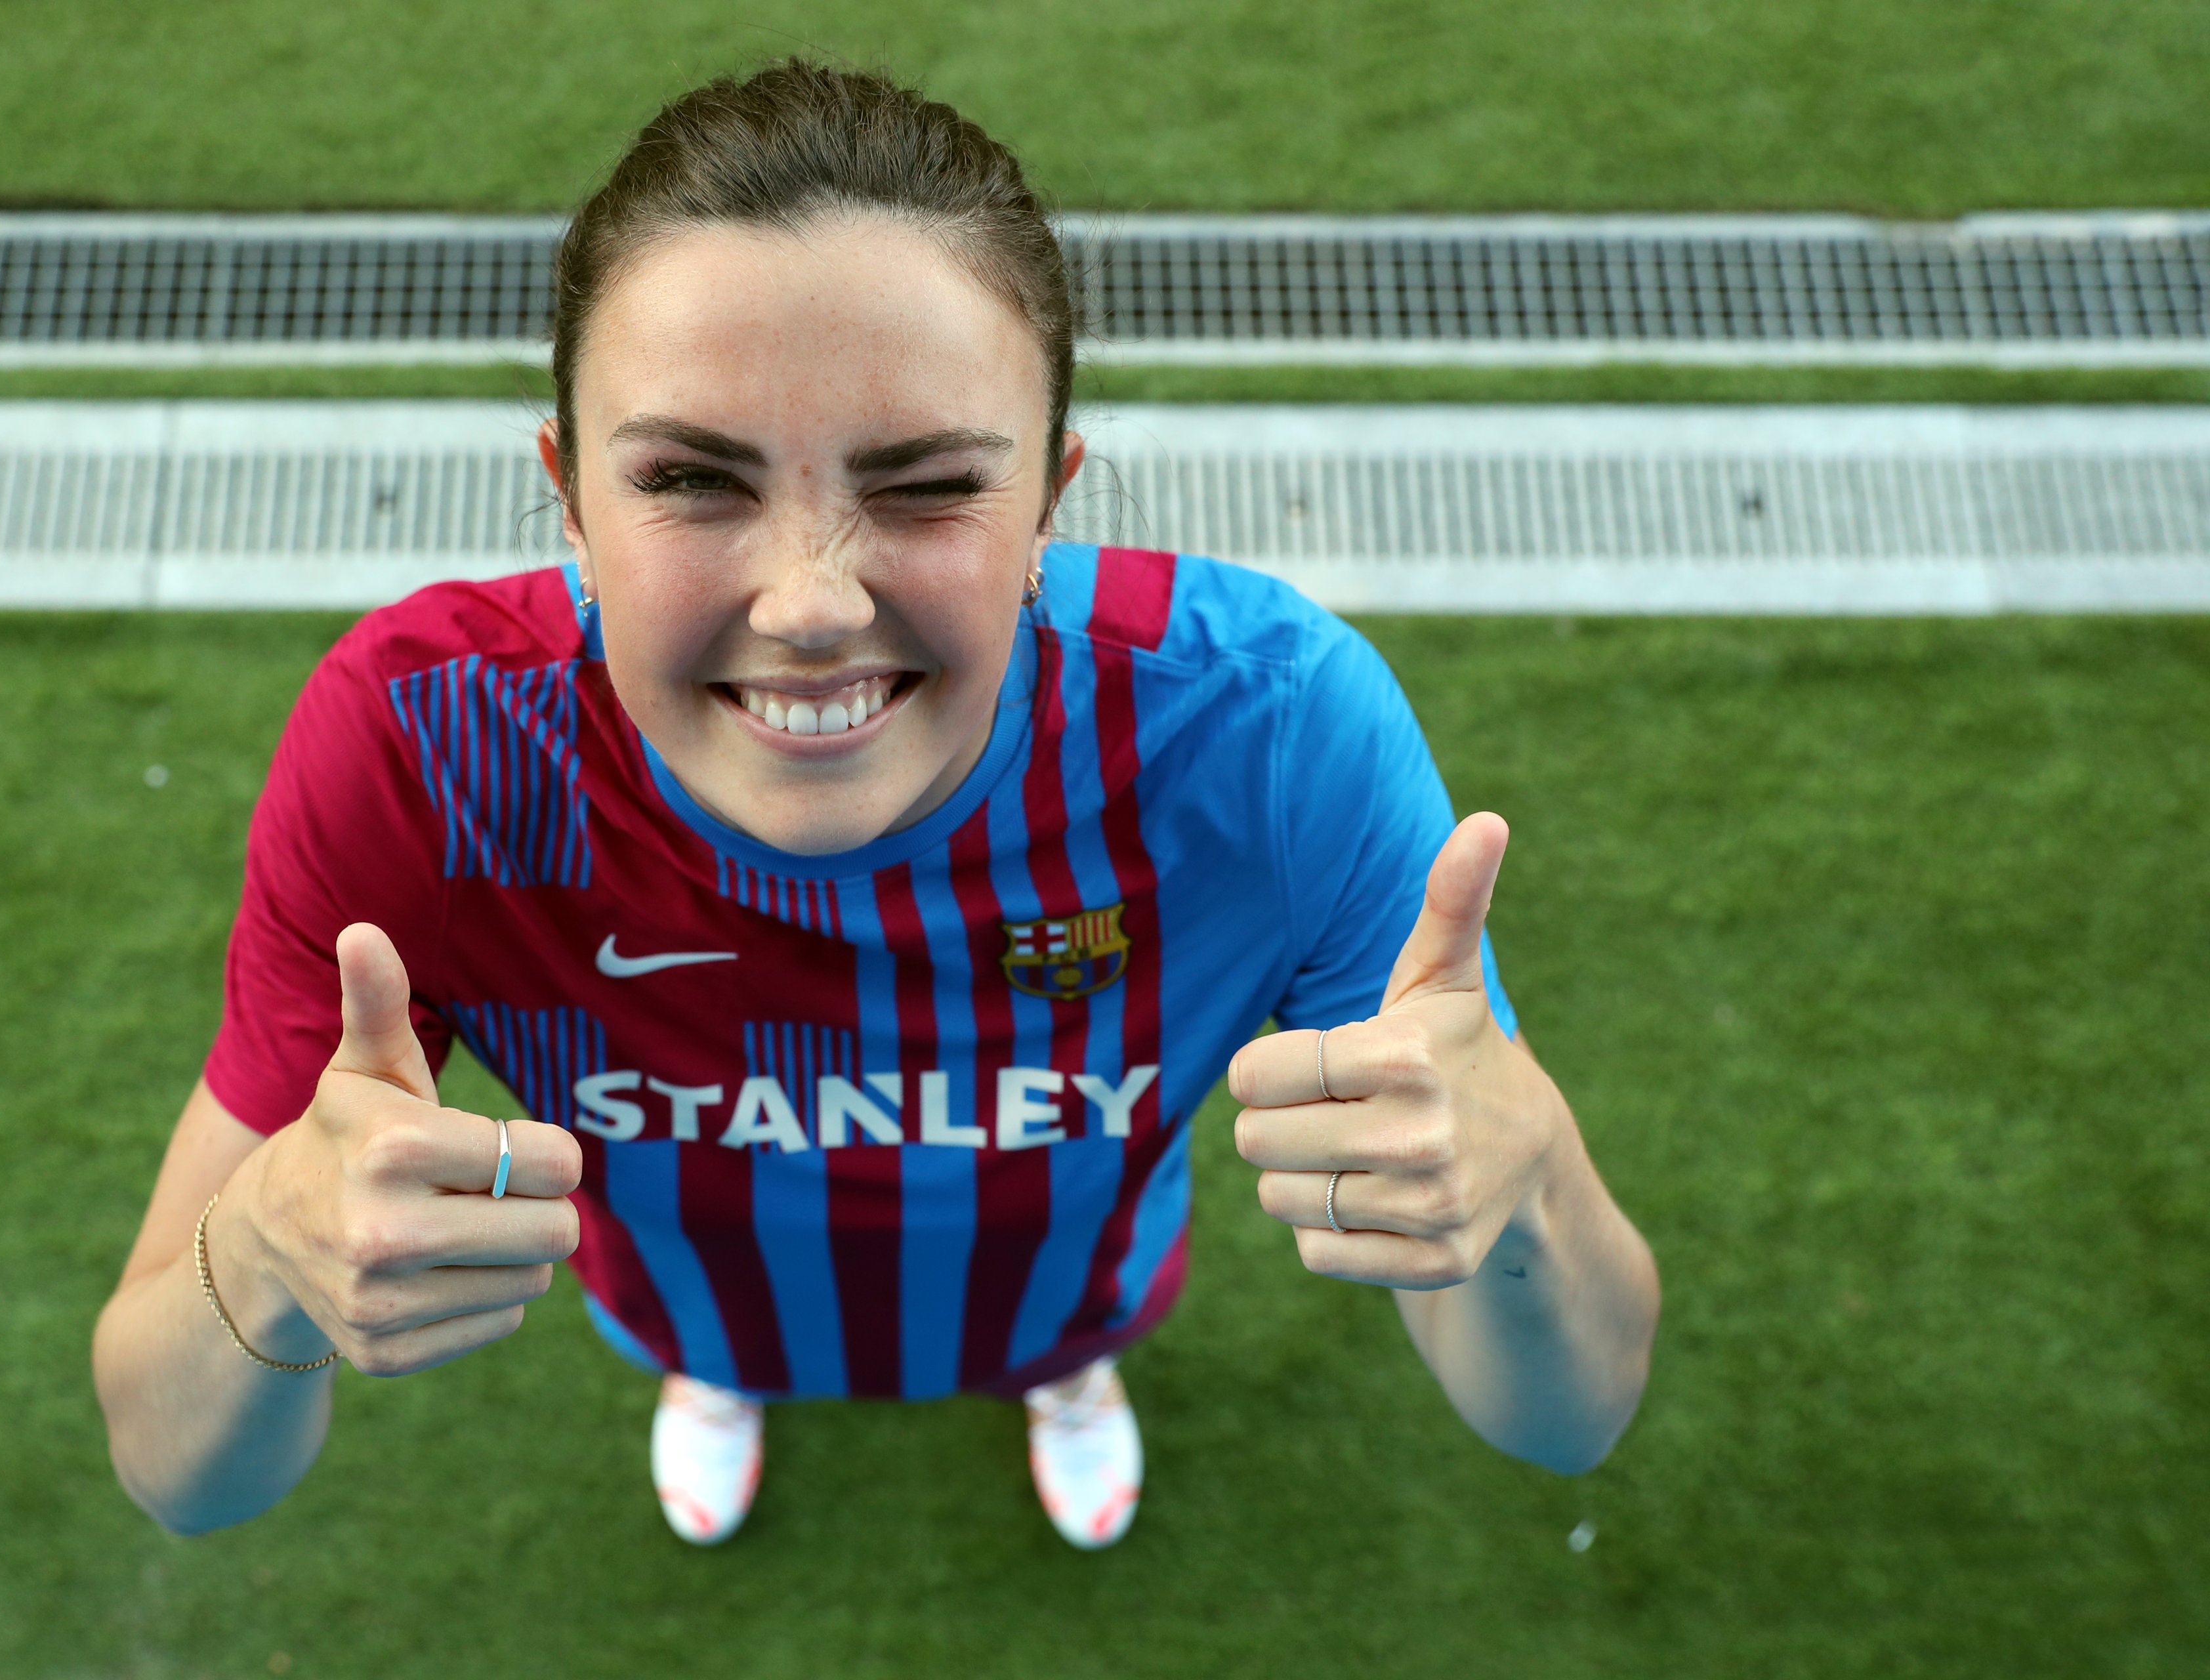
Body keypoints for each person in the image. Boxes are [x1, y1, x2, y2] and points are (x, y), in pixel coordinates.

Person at [91, 60, 1660, 1551]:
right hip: (676, 1289)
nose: (811, 601)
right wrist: (264, 1250)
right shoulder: (424, 749)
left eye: (924, 485)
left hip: (1082, 1277)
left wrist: (1524, 1185)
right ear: (566, 495)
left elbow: (1567, 1417)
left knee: (1062, 1330)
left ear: (1051, 493)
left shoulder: (1265, 736)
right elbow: (178, 1471)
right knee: (718, 1335)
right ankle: (722, 1373)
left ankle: (1061, 1374)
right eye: (692, 481)